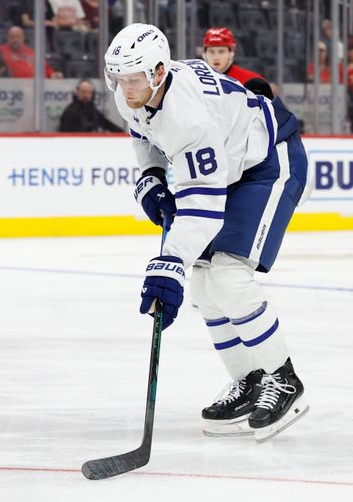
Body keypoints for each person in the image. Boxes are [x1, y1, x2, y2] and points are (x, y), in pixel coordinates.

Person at [104, 23, 309, 442]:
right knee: (201, 283)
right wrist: (151, 177)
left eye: (133, 79)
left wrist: (169, 264)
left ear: (159, 72)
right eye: (118, 78)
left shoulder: (189, 117)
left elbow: (204, 205)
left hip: (268, 161)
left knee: (229, 275)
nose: (125, 89)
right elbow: (142, 134)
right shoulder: (134, 88)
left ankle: (285, 380)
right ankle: (250, 380)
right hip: (230, 163)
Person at [202, 27, 272, 98]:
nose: (216, 57)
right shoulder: (194, 81)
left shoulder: (253, 82)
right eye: (211, 51)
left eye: (221, 51)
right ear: (204, 53)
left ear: (231, 53)